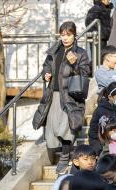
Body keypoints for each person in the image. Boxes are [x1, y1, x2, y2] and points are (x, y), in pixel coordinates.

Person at [34, 21, 90, 174]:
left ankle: (65, 158)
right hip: (54, 95)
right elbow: (46, 66)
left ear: (74, 35)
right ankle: (67, 154)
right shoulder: (55, 50)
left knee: (66, 128)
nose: (65, 38)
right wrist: (45, 74)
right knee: (52, 129)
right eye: (62, 35)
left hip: (70, 96)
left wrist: (75, 65)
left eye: (68, 35)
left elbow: (85, 74)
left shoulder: (81, 53)